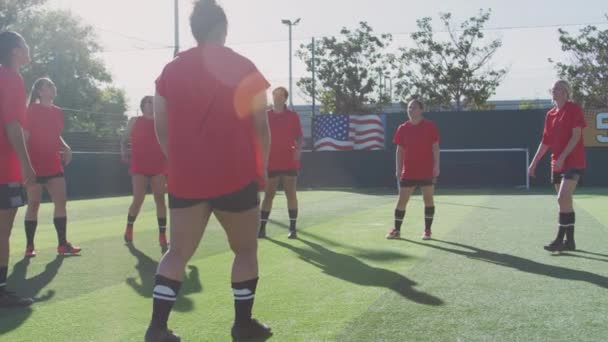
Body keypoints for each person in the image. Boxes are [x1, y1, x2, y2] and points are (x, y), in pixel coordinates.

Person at [144, 1, 272, 341]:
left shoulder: (171, 70)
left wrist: (177, 160)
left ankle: (157, 329)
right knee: (245, 250)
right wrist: (264, 165)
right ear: (223, 28)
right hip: (237, 173)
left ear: (193, 30)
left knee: (177, 252)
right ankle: (243, 326)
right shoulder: (245, 66)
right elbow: (261, 124)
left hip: (187, 177)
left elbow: (160, 123)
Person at [23, 77, 81, 257]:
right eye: (48, 85)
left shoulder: (57, 111)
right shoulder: (31, 110)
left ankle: (62, 245)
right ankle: (29, 247)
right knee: (33, 204)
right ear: (40, 91)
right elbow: (24, 136)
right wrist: (24, 165)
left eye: (52, 84)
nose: (53, 87)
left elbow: (56, 134)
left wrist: (66, 146)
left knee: (61, 202)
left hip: (53, 164)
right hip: (34, 165)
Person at [0, 31, 36, 307]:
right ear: (14, 50)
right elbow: (11, 125)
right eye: (24, 44)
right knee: (3, 230)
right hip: (5, 167)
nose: (28, 48)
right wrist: (26, 164)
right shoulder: (11, 78)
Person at [529, 80, 586, 252]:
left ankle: (560, 240)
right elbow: (545, 142)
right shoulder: (550, 114)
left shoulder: (574, 109)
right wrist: (533, 163)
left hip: (573, 161)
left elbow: (576, 137)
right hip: (556, 163)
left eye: (558, 89)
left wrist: (562, 157)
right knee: (564, 202)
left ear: (566, 92)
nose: (554, 91)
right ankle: (570, 242)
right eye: (553, 89)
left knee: (562, 197)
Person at [386, 99, 440, 240]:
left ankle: (427, 231)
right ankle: (396, 231)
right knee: (401, 202)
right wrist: (398, 169)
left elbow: (435, 147)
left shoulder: (430, 126)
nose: (410, 110)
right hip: (408, 171)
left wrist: (436, 165)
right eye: (409, 108)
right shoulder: (402, 128)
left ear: (421, 110)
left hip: (426, 170)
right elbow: (399, 150)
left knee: (428, 200)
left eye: (414, 108)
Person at [121, 96, 168, 251]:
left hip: (158, 166)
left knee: (160, 200)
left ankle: (162, 235)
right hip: (139, 166)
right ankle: (129, 229)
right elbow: (124, 139)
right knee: (138, 199)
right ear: (142, 106)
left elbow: (169, 141)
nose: (152, 104)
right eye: (149, 102)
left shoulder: (161, 122)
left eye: (154, 102)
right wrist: (124, 151)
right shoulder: (134, 121)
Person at [258, 87, 303, 239]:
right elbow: (259, 136)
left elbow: (300, 137)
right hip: (271, 162)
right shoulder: (265, 116)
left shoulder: (293, 116)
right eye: (275, 94)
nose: (277, 97)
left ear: (285, 98)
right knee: (268, 195)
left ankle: (292, 229)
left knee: (291, 194)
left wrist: (298, 150)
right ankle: (262, 229)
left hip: (289, 161)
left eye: (280, 95)